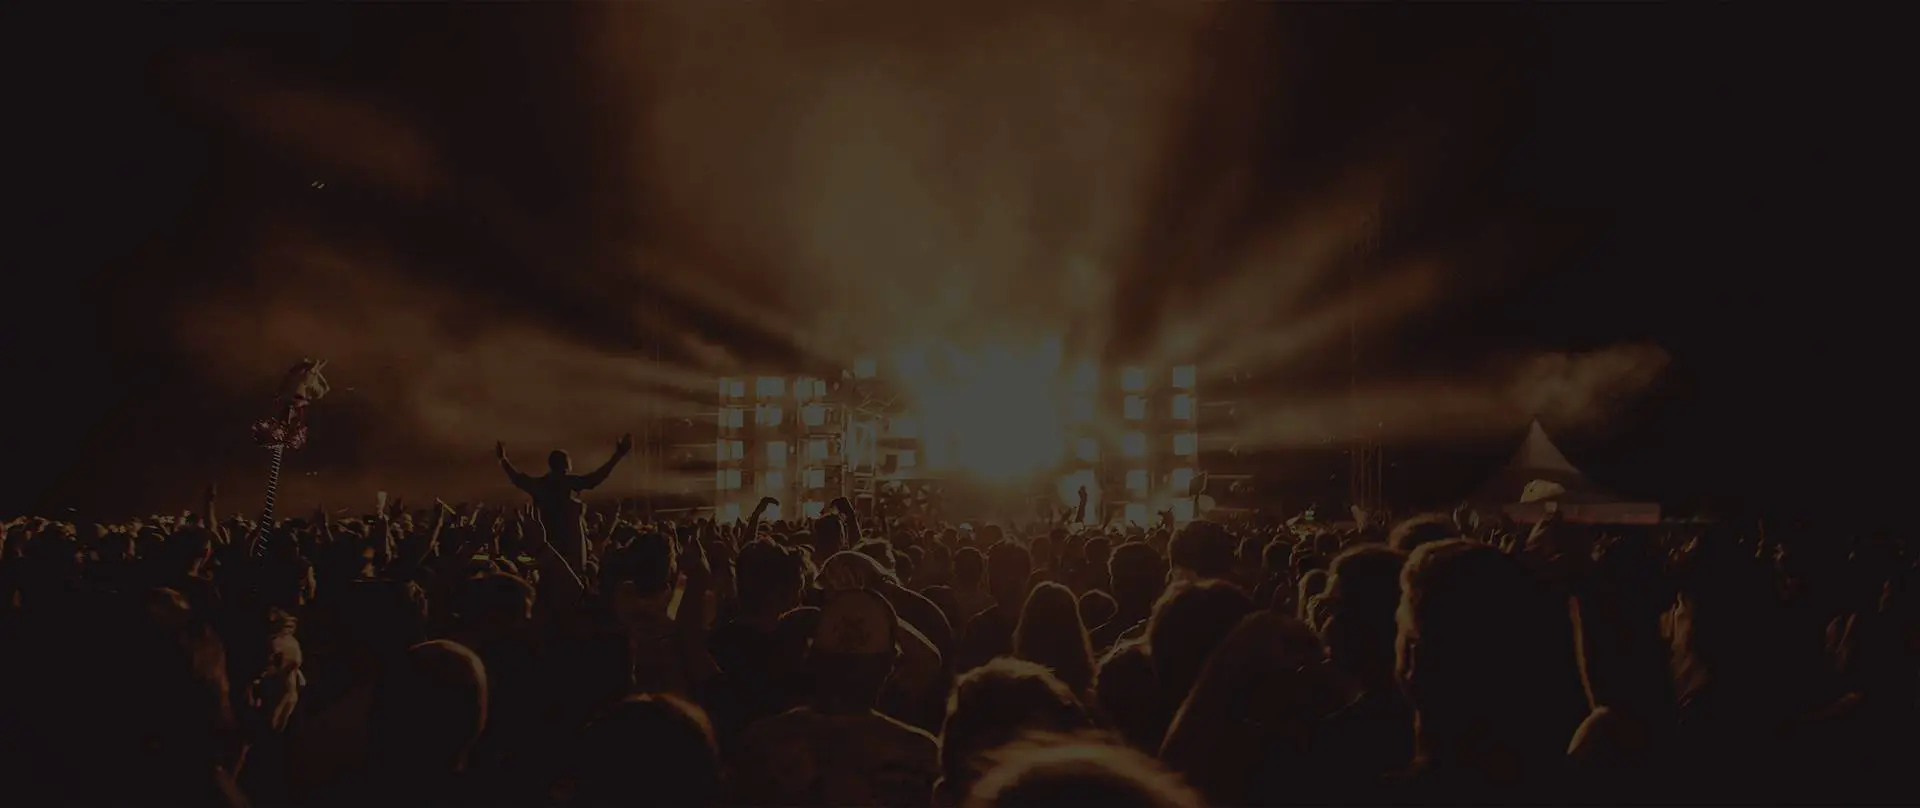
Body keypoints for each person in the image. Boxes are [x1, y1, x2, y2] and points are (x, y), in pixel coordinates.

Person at [496, 434, 632, 572]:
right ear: (567, 464)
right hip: (573, 545)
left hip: (549, 545)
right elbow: (596, 478)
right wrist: (617, 456)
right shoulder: (569, 482)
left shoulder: (541, 485)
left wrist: (503, 460)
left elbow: (518, 479)